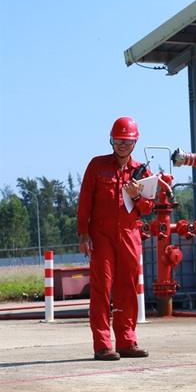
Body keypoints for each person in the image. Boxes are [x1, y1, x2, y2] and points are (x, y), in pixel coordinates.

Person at [77, 117, 153, 361]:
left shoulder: (143, 173)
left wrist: (137, 196)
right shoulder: (97, 166)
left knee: (128, 288)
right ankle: (102, 345)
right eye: (119, 140)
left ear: (135, 142)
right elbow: (85, 201)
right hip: (101, 235)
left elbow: (148, 207)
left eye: (128, 141)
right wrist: (83, 234)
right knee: (101, 288)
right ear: (112, 140)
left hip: (130, 235)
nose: (123, 145)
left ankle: (127, 341)